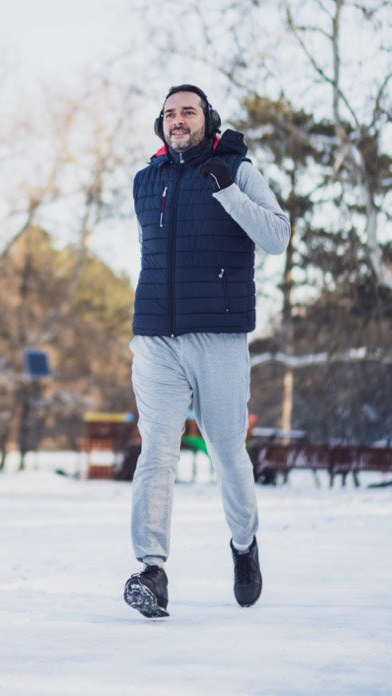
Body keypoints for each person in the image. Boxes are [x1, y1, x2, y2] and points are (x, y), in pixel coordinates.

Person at [122, 84, 290, 618]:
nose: (177, 120)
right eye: (169, 113)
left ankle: (244, 546)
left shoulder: (237, 170)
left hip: (216, 335)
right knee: (157, 453)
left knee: (225, 450)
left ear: (207, 119)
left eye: (187, 112)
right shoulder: (145, 182)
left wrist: (228, 192)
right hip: (155, 337)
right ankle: (152, 568)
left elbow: (278, 236)